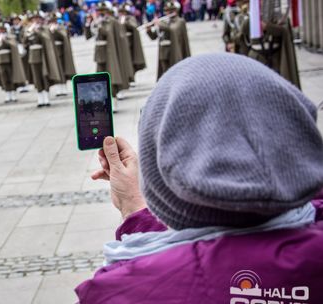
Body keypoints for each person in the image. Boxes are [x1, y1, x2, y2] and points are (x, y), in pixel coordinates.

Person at [75, 53, 323, 303]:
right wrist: (135, 208)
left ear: (160, 181)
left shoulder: (119, 292)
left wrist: (134, 208)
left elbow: (196, 259)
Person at [239, 11, 301, 89]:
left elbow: (284, 32)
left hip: (276, 59)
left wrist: (267, 27)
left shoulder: (281, 17)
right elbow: (242, 40)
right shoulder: (249, 18)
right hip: (257, 59)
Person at [89, 2, 132, 111]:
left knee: (111, 78)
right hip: (100, 54)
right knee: (100, 79)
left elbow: (107, 33)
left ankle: (114, 103)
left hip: (110, 54)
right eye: (98, 11)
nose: (100, 13)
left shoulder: (111, 22)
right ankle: (104, 103)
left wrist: (98, 24)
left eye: (102, 11)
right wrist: (88, 24)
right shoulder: (98, 22)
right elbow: (88, 35)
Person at [23, 12, 64, 107]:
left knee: (44, 76)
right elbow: (24, 42)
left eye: (37, 19)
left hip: (43, 56)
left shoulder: (44, 28)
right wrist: (28, 33)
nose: (35, 21)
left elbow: (47, 39)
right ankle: (40, 98)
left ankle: (46, 98)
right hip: (33, 57)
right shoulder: (29, 29)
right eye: (33, 19)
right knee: (37, 78)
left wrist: (37, 31)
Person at [147, 1, 191, 80]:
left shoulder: (180, 21)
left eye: (170, 10)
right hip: (163, 52)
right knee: (165, 75)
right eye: (166, 11)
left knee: (175, 73)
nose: (168, 13)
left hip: (174, 51)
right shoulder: (164, 21)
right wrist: (149, 30)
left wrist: (159, 24)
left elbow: (173, 29)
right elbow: (154, 37)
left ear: (175, 11)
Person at [0, 24, 27, 103]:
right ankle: (7, 93)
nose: (0, 31)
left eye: (2, 29)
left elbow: (13, 46)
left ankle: (13, 93)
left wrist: (4, 40)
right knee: (4, 78)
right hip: (0, 60)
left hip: (9, 60)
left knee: (11, 77)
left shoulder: (10, 37)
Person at [48, 16, 76, 97]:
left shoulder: (61, 27)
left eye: (54, 21)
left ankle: (64, 88)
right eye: (51, 21)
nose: (52, 23)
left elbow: (64, 36)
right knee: (56, 70)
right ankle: (58, 89)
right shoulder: (48, 28)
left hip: (61, 51)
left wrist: (56, 30)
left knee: (63, 70)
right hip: (53, 52)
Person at [119, 3, 147, 83]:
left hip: (130, 43)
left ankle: (132, 78)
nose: (121, 13)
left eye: (123, 12)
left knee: (131, 61)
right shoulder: (119, 19)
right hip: (122, 44)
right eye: (120, 12)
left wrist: (125, 23)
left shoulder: (130, 18)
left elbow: (134, 26)